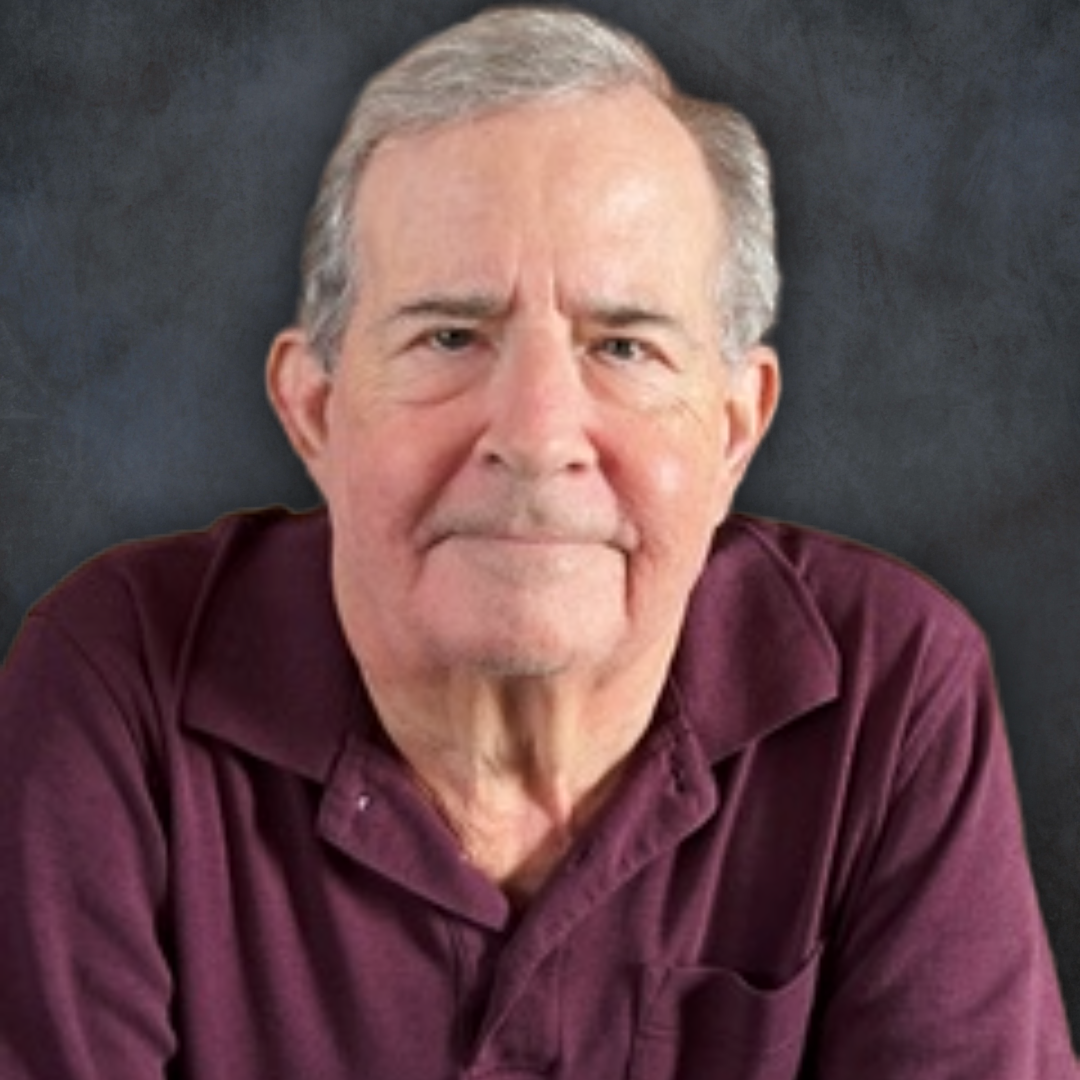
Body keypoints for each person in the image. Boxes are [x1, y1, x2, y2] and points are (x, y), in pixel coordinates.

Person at [0, 7, 1075, 1078]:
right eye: (450, 336)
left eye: (624, 345)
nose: (535, 435)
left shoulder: (889, 693)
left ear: (735, 427)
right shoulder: (118, 683)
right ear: (316, 411)